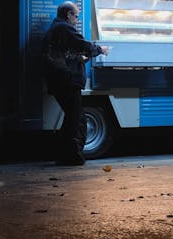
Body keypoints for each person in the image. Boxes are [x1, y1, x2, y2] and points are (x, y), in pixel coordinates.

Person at [42, 1, 110, 166]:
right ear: (68, 14)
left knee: (73, 117)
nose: (77, 20)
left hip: (60, 80)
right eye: (76, 16)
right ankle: (71, 156)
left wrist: (81, 58)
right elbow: (81, 44)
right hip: (68, 80)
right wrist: (101, 49)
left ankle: (66, 155)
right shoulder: (64, 28)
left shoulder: (54, 29)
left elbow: (64, 54)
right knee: (75, 119)